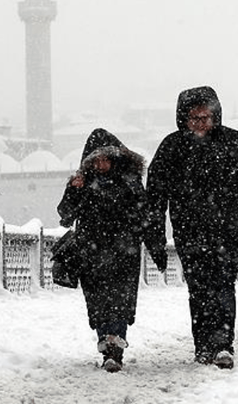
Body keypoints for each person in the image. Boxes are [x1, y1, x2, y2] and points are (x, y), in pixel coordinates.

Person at [146, 86, 238, 369]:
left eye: (206, 117)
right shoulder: (172, 147)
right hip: (188, 230)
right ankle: (203, 345)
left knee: (222, 285)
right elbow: (155, 195)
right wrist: (154, 233)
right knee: (199, 288)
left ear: (215, 116)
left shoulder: (234, 142)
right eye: (195, 118)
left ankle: (222, 344)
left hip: (227, 229)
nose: (201, 123)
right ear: (184, 118)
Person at [57, 128, 167, 373]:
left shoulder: (130, 182)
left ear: (116, 158)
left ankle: (114, 350)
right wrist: (74, 190)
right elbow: (65, 216)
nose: (102, 164)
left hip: (123, 254)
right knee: (98, 304)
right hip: (91, 254)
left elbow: (146, 218)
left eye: (106, 158)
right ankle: (106, 345)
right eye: (96, 159)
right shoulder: (83, 183)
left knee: (119, 302)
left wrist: (156, 248)